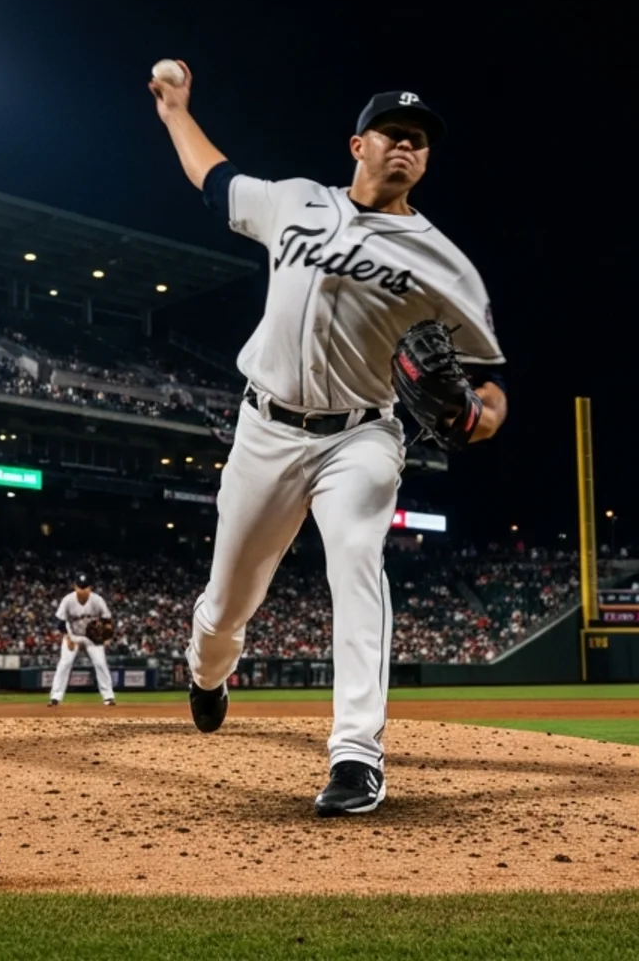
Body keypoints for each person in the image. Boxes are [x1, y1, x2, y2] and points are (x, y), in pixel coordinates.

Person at [148, 64, 508, 816]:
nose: (407, 146)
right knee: (225, 608)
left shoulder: (443, 264)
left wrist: (481, 416)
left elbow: (491, 381)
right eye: (394, 134)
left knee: (355, 558)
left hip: (363, 437)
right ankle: (208, 673)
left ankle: (356, 754)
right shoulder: (296, 202)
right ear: (358, 144)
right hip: (265, 429)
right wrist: (176, 110)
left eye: (420, 142)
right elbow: (215, 179)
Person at [47, 573, 116, 707]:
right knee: (65, 663)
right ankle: (55, 697)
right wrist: (68, 638)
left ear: (90, 588)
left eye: (85, 587)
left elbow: (107, 619)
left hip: (93, 637)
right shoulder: (68, 600)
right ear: (75, 587)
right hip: (73, 635)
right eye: (79, 587)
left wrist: (107, 636)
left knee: (101, 663)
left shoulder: (97, 600)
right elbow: (59, 621)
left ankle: (108, 697)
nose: (82, 590)